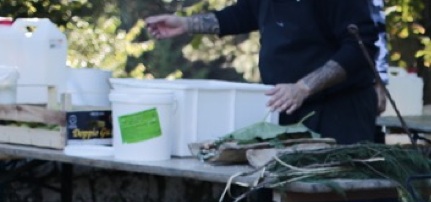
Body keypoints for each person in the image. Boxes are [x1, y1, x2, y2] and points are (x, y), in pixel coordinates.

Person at [145, 0, 387, 145]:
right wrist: (185, 24)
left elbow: (360, 46)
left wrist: (303, 87)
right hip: (288, 109)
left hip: (340, 112)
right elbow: (242, 14)